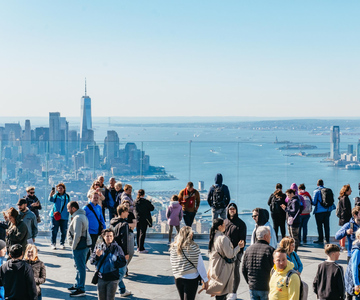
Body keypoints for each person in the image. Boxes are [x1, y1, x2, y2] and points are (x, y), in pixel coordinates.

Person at [206, 218, 244, 300]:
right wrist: (239, 247)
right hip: (222, 268)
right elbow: (230, 254)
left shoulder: (213, 237)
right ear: (220, 227)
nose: (225, 226)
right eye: (224, 224)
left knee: (218, 292)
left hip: (215, 267)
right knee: (222, 293)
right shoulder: (223, 238)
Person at [170, 226, 208, 300]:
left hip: (178, 277)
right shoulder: (193, 247)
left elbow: (173, 261)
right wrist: (205, 279)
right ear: (190, 235)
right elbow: (200, 265)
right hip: (191, 277)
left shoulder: (174, 247)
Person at [90, 228, 128, 300]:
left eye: (111, 236)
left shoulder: (117, 248)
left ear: (113, 237)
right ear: (103, 237)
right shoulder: (99, 247)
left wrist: (114, 265)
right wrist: (97, 256)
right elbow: (92, 261)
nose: (109, 238)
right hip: (101, 277)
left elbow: (123, 262)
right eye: (107, 236)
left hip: (112, 278)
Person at [67, 200, 92, 297]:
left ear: (73, 208)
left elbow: (77, 234)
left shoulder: (77, 218)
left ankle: (81, 288)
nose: (68, 210)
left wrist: (73, 246)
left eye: (69, 208)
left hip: (79, 246)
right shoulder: (82, 216)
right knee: (79, 266)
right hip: (83, 245)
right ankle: (77, 284)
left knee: (80, 267)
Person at [242, 226, 274, 300]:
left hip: (253, 286)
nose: (271, 237)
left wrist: (250, 282)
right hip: (266, 287)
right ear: (265, 236)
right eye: (269, 235)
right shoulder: (270, 250)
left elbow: (244, 269)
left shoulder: (248, 249)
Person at [224, 203, 246, 300]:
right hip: (225, 251)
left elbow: (242, 240)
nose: (232, 210)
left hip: (236, 252)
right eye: (230, 209)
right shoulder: (225, 222)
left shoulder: (241, 224)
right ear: (228, 211)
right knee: (226, 272)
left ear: (236, 210)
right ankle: (226, 291)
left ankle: (233, 292)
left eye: (233, 209)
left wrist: (239, 251)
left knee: (235, 272)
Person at [84, 192, 106, 263]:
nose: (96, 199)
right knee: (90, 248)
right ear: (90, 198)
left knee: (93, 248)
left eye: (97, 198)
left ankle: (85, 262)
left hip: (96, 231)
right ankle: (84, 263)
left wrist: (104, 227)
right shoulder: (86, 208)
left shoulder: (99, 207)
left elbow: (101, 218)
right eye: (94, 198)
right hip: (89, 231)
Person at [312, 179, 336, 244]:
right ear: (323, 184)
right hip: (328, 211)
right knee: (326, 225)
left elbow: (314, 202)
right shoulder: (328, 190)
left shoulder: (316, 191)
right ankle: (327, 239)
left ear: (317, 184)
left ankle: (320, 239)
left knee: (319, 226)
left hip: (319, 211)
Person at [49, 183, 70, 250]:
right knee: (54, 229)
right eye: (59, 188)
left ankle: (62, 243)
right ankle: (53, 243)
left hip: (64, 216)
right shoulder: (55, 196)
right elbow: (51, 200)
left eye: (61, 188)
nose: (60, 189)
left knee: (63, 230)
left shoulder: (67, 197)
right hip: (55, 215)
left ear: (64, 189)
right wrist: (51, 194)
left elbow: (69, 205)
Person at [134, 189, 154, 253]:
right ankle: (141, 248)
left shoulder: (135, 201)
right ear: (144, 194)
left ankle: (138, 247)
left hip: (137, 218)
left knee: (138, 233)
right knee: (142, 233)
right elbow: (152, 208)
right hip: (144, 219)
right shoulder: (146, 202)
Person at [338, 184, 352, 251]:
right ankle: (342, 246)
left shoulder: (342, 197)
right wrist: (351, 215)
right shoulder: (345, 198)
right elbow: (346, 208)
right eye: (350, 190)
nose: (351, 191)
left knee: (343, 231)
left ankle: (341, 245)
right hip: (345, 217)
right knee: (345, 232)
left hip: (342, 217)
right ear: (346, 191)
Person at [122, 200, 136, 268]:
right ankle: (124, 268)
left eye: (128, 206)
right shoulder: (120, 213)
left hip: (130, 234)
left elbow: (134, 224)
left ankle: (125, 266)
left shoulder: (131, 214)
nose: (126, 207)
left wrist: (125, 225)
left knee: (131, 252)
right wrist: (129, 225)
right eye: (125, 205)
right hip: (122, 234)